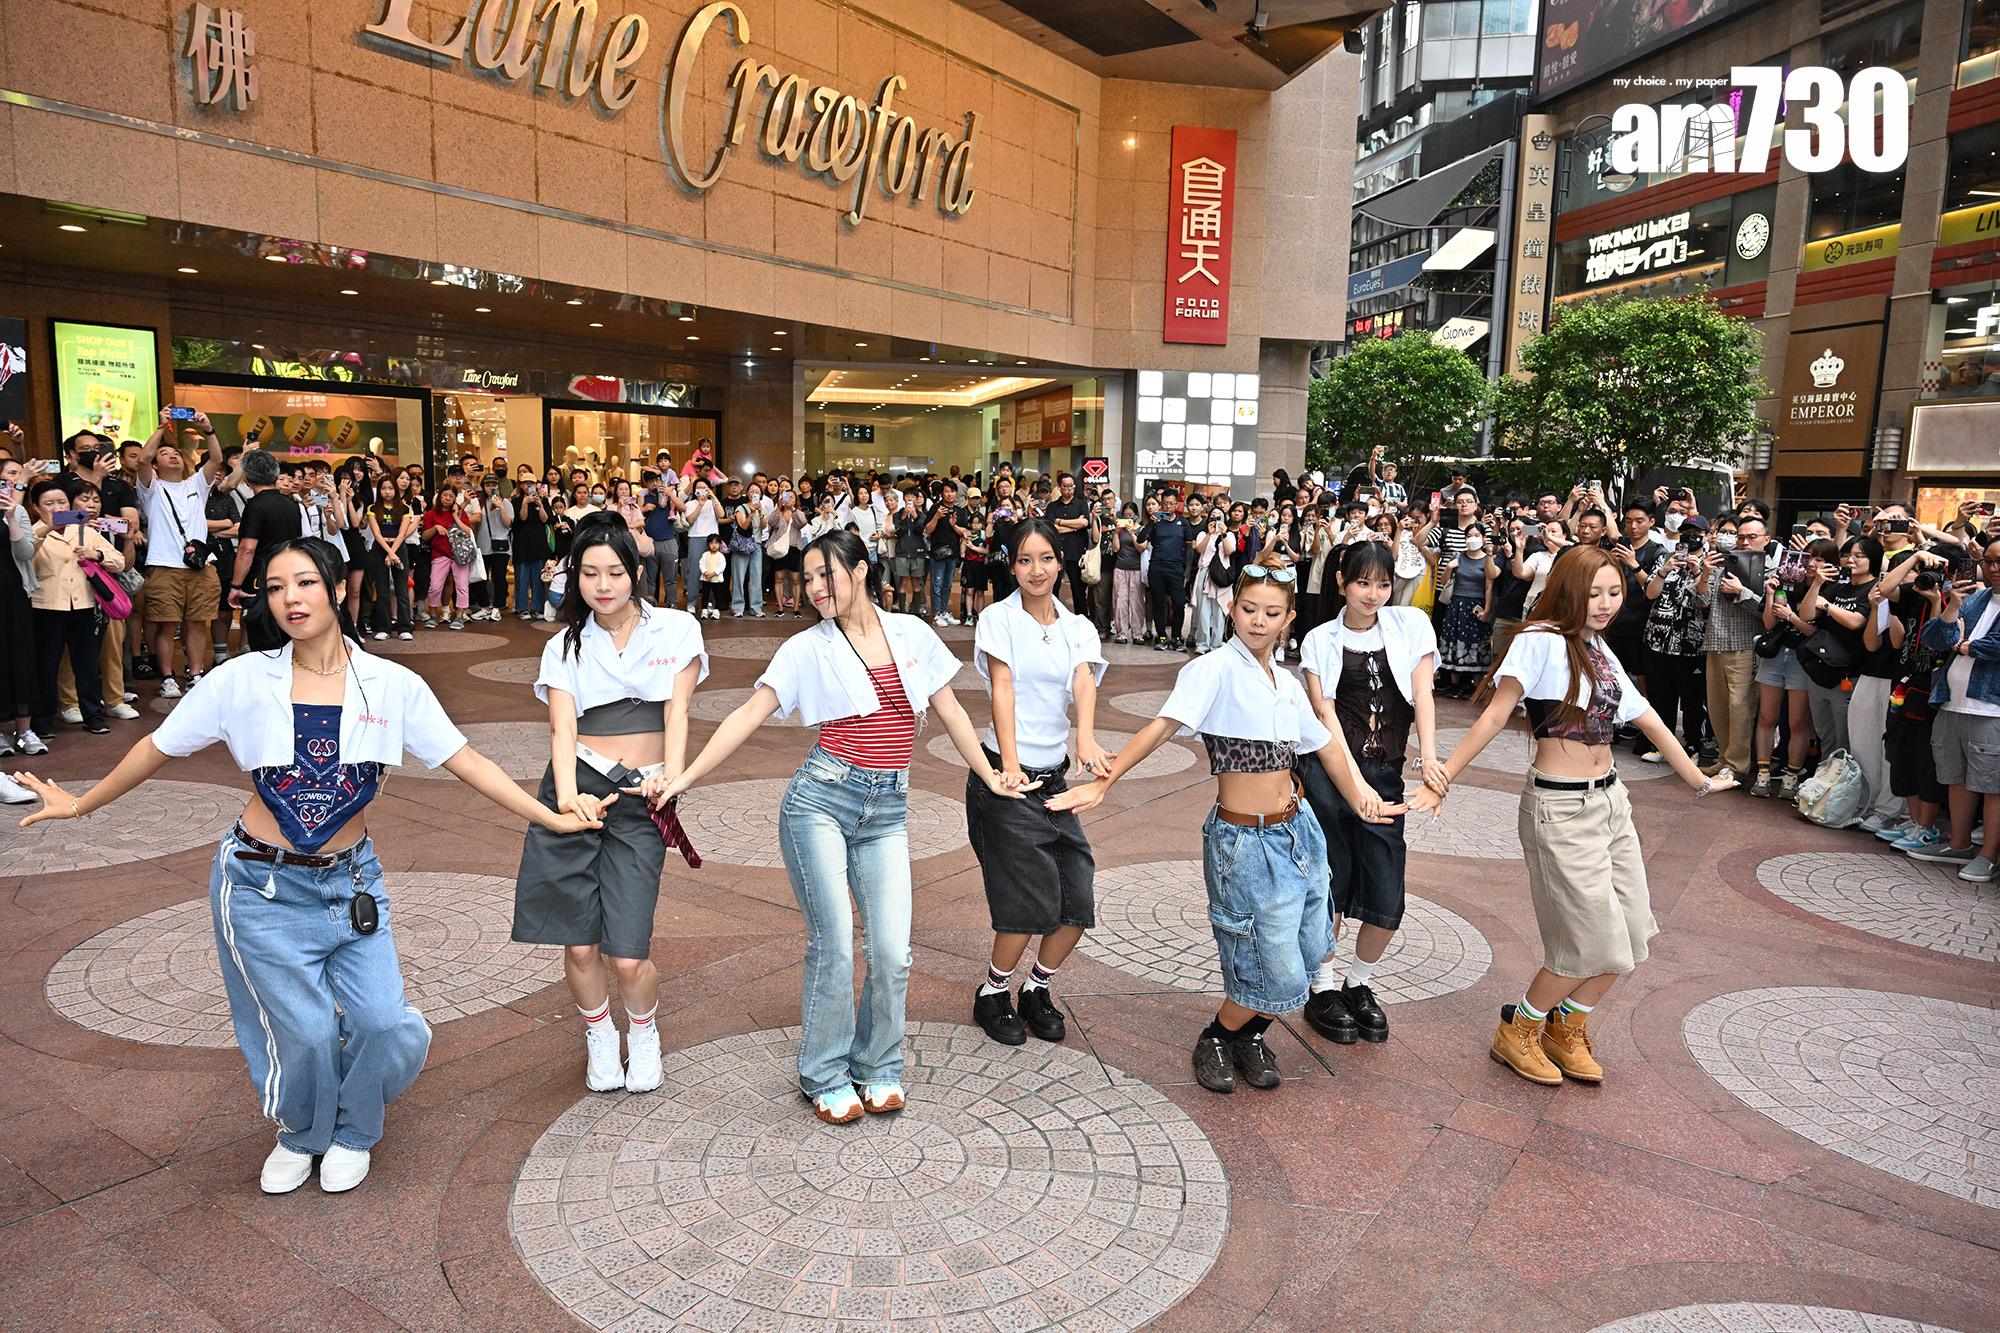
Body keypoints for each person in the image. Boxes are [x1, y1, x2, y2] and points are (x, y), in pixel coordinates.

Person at [10, 537, 601, 1194]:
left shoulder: (392, 684)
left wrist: (549, 814)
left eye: (304, 582)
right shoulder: (241, 678)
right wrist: (83, 803)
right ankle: (304, 1131)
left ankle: (351, 1124)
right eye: (275, 586)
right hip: (261, 884)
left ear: (337, 587)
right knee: (306, 1029)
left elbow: (470, 762)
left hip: (350, 880)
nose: (290, 597)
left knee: (381, 1021)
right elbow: (157, 745)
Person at [655, 531, 1022, 1123]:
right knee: (834, 943)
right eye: (808, 579)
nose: (816, 589)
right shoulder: (806, 647)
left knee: (893, 950)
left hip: (888, 810)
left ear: (860, 569)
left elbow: (950, 709)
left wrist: (994, 773)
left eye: (827, 574)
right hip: (821, 801)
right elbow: (751, 712)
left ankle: (878, 1064)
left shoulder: (910, 633)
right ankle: (823, 1071)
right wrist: (685, 777)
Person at [1048, 550, 1400, 1094]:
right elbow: (1163, 727)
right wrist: (1105, 780)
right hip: (1244, 839)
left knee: (1310, 950)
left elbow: (1326, 746)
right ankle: (1218, 1035)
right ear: (1232, 609)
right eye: (1250, 609)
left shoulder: (1284, 683)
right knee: (1266, 957)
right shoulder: (1211, 670)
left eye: (1272, 612)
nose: (1259, 621)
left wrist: (1362, 799)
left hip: (1298, 831)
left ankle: (1248, 1035)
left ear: (1289, 620)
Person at [1414, 547, 1731, 1086]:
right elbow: (1495, 713)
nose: (1606, 604)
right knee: (1588, 941)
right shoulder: (1538, 640)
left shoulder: (1599, 648)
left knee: (1631, 936)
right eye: (1594, 593)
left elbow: (1648, 717)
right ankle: (1520, 1028)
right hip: (1560, 808)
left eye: (1614, 592)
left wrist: (1698, 779)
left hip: (1611, 802)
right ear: (1567, 590)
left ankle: (1568, 1026)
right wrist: (1443, 775)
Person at [513, 515, 706, 1092]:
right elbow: (561, 729)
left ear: (636, 572)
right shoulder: (563, 645)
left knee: (627, 952)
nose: (603, 585)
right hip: (575, 793)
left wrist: (672, 775)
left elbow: (678, 710)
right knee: (577, 944)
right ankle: (599, 1032)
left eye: (615, 572)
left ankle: (642, 1032)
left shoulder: (676, 629)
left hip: (643, 797)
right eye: (589, 573)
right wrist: (569, 797)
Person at [967, 521, 1111, 1047]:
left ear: (1060, 561)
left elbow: (1083, 682)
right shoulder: (998, 618)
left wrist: (1087, 740)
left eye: (1046, 558)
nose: (1037, 570)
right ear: (1013, 566)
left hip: (1054, 782)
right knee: (1028, 904)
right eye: (1025, 560)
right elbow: (1001, 687)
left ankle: (1036, 988)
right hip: (1004, 778)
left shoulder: (1077, 625)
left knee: (1077, 896)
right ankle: (992, 991)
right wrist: (1009, 763)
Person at [1297, 540, 1436, 1046]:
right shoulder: (1318, 639)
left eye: (1382, 583)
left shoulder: (1411, 626)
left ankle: (1360, 983)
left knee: (1385, 888)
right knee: (1330, 883)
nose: (1373, 593)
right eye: (1362, 582)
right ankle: (1322, 986)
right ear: (1341, 582)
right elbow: (1325, 716)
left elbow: (1423, 695)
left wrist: (1430, 761)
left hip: (1387, 775)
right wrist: (1354, 788)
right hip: (1329, 778)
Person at [1907, 549, 2000, 881]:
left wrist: (1966, 645)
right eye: (1988, 561)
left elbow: (1992, 646)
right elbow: (1935, 638)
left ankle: (1988, 855)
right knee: (1956, 777)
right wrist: (1953, 606)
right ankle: (1959, 845)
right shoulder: (1975, 598)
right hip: (1951, 701)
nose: (1993, 568)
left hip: (1992, 710)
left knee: (1992, 786)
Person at [135, 410, 225, 697]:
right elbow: (142, 458)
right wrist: (162, 426)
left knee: (199, 622)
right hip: (164, 566)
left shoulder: (195, 484)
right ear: (157, 463)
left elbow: (217, 459)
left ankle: (195, 673)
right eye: (164, 453)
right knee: (166, 625)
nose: (172, 456)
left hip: (201, 566)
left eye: (175, 453)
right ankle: (167, 678)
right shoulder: (151, 487)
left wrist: (208, 430)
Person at [27, 478, 123, 736]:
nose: (57, 507)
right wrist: (46, 528)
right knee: (46, 666)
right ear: (36, 507)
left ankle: (93, 716)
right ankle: (43, 721)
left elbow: (119, 560)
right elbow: (24, 557)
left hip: (85, 605)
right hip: (46, 607)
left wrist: (97, 556)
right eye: (49, 503)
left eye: (61, 502)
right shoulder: (32, 532)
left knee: (87, 664)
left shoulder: (84, 530)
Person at [1755, 539, 1832, 800]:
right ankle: (1763, 775)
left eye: (1821, 559)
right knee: (1766, 717)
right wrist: (1769, 595)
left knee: (1798, 721)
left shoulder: (1828, 592)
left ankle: (1791, 778)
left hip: (1804, 659)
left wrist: (1791, 617)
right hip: (1776, 654)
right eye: (1810, 557)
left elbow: (1814, 633)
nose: (1813, 564)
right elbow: (1768, 623)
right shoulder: (1790, 582)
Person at [362, 475, 415, 641]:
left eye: (390, 488)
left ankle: (405, 627)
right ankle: (383, 627)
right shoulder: (372, 508)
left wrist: (393, 552)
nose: (387, 492)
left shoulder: (405, 509)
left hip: (399, 547)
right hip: (380, 548)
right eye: (383, 488)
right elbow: (376, 533)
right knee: (382, 590)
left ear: (396, 490)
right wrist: (389, 552)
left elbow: (402, 533)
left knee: (402, 590)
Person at [1141, 490, 1196, 652]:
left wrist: (1186, 572)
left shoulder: (1183, 523)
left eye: (1172, 503)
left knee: (1179, 603)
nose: (1168, 506)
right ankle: (1162, 636)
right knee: (1159, 603)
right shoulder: (1156, 521)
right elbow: (1140, 539)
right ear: (1162, 504)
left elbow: (1189, 549)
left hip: (1176, 569)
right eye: (1165, 503)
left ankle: (1177, 637)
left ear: (1177, 504)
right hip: (1157, 567)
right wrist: (1151, 523)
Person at [421, 484, 472, 630]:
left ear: (455, 498)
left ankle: (459, 616)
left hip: (460, 555)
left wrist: (456, 516)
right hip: (439, 553)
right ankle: (432, 615)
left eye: (451, 496)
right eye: (445, 495)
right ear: (439, 496)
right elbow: (424, 536)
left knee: (462, 586)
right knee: (435, 586)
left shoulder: (460, 512)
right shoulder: (430, 514)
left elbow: (468, 532)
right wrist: (435, 528)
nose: (447, 498)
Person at [1109, 501, 1145, 644]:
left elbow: (1141, 548)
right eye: (1125, 515)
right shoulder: (1119, 530)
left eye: (1131, 515)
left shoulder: (1141, 529)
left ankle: (1137, 633)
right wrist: (1117, 533)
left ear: (1136, 515)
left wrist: (1132, 533)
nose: (1128, 518)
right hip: (1120, 568)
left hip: (1136, 569)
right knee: (1120, 601)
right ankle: (1121, 633)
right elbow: (1116, 549)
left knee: (1136, 603)